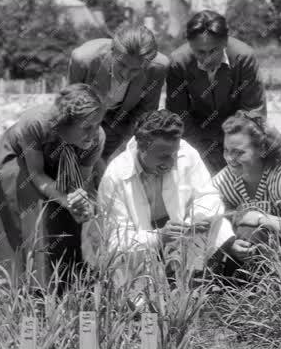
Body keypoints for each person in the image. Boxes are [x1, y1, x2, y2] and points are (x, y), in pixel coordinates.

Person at [97, 110, 234, 282]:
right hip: (144, 245)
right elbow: (117, 240)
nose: (171, 162)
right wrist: (159, 236)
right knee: (132, 278)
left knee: (220, 227)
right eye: (163, 156)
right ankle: (151, 302)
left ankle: (204, 287)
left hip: (181, 234)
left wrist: (190, 223)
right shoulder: (115, 176)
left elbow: (209, 197)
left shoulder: (186, 151)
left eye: (174, 154)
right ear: (142, 148)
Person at [0, 84, 106, 286]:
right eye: (87, 127)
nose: (94, 133)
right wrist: (64, 199)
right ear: (65, 123)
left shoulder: (95, 139)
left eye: (97, 125)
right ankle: (29, 284)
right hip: (21, 157)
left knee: (71, 213)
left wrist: (78, 201)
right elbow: (36, 174)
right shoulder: (35, 123)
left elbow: (81, 183)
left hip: (60, 159)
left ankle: (69, 276)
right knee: (29, 202)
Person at [213, 110, 281, 276]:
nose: (230, 159)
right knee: (244, 230)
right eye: (226, 151)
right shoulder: (223, 181)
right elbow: (205, 220)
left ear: (262, 149)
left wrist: (261, 219)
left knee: (251, 228)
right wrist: (229, 244)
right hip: (242, 260)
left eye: (239, 152)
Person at [166, 10, 266, 175]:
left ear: (225, 42)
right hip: (198, 138)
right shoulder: (178, 63)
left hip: (238, 136)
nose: (206, 59)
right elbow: (179, 116)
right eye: (200, 52)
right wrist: (204, 152)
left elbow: (253, 112)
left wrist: (233, 149)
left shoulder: (245, 58)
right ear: (190, 45)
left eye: (213, 51)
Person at [68, 24, 169, 163]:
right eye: (121, 64)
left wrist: (122, 156)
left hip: (121, 125)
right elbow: (73, 111)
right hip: (86, 120)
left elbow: (144, 117)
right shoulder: (83, 60)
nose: (126, 74)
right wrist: (92, 157)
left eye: (135, 70)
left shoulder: (158, 68)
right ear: (113, 51)